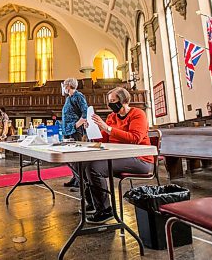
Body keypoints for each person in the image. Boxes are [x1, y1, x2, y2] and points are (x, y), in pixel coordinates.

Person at [84, 86, 153, 224]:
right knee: (84, 164)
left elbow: (135, 138)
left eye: (113, 100)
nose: (110, 104)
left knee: (94, 168)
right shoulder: (111, 117)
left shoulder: (137, 114)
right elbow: (103, 139)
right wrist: (91, 129)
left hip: (140, 159)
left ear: (123, 100)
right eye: (109, 101)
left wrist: (108, 128)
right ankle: (93, 201)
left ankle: (105, 210)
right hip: (119, 156)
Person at [61, 78, 88, 188]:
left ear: (68, 86)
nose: (63, 87)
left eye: (64, 85)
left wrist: (77, 124)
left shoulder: (78, 95)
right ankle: (75, 177)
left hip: (75, 130)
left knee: (76, 156)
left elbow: (85, 111)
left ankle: (80, 181)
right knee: (70, 157)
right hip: (67, 130)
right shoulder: (69, 97)